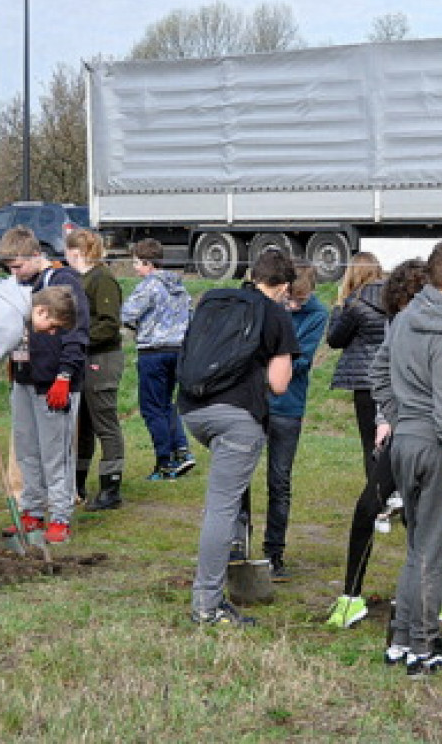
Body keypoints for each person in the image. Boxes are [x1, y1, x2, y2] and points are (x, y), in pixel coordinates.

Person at [328, 258, 442, 629]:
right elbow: (386, 374)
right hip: (407, 435)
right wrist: (386, 419)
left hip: (441, 440)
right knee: (370, 507)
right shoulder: (401, 325)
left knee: (424, 521)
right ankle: (352, 597)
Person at [371, 240, 442, 675]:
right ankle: (423, 649)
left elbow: (377, 373)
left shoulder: (404, 319)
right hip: (436, 450)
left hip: (405, 445)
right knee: (434, 554)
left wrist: (400, 419)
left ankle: (401, 641)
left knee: (417, 548)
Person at [180, 248, 299, 626]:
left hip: (193, 409)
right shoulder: (276, 314)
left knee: (225, 498)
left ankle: (222, 577)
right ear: (283, 286)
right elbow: (279, 384)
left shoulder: (213, 300)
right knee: (222, 507)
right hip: (237, 418)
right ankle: (207, 604)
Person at [0, 226, 90, 544]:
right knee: (27, 450)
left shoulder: (63, 282)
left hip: (53, 382)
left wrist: (65, 375)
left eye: (18, 266)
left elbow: (77, 331)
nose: (15, 273)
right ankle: (33, 511)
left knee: (55, 452)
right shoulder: (18, 287)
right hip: (23, 378)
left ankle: (60, 515)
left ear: (36, 255)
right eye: (10, 268)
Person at [263, 262, 328, 582]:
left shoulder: (317, 314)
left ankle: (274, 552)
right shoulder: (269, 304)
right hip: (255, 401)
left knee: (279, 480)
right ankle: (235, 546)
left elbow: (301, 361)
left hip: (288, 405)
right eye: (291, 297)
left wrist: (273, 358)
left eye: (301, 299)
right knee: (238, 477)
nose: (294, 305)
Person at [121, 238, 195, 481]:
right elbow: (190, 315)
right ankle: (181, 449)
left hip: (153, 351)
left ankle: (164, 462)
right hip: (178, 350)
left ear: (148, 263)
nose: (134, 268)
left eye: (136, 263)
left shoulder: (148, 286)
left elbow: (127, 313)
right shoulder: (179, 286)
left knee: (152, 408)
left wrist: (135, 326)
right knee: (167, 404)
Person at [64, 229, 126, 510]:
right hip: (83, 358)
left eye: (68, 251)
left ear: (76, 252)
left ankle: (111, 487)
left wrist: (78, 339)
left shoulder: (102, 279)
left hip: (102, 358)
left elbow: (109, 323)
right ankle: (77, 483)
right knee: (82, 424)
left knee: (104, 422)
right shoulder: (79, 279)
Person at [0, 280, 77, 433]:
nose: (52, 333)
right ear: (41, 311)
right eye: (53, 326)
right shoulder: (10, 327)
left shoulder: (2, 292)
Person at [327, 252, 387, 481]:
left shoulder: (354, 304)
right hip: (393, 376)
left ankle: (375, 492)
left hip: (364, 379)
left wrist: (337, 308)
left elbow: (335, 339)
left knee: (369, 441)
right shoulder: (394, 301)